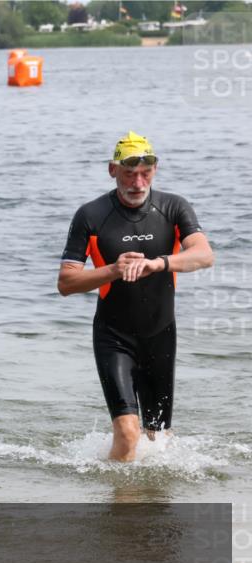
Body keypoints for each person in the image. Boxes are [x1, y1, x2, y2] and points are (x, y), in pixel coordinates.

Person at [57, 131, 214, 462]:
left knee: (158, 441)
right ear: (113, 171)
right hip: (114, 337)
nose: (138, 183)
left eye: (146, 173)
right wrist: (114, 270)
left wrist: (159, 263)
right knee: (129, 434)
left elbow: (203, 255)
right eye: (129, 173)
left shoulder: (173, 207)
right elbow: (67, 283)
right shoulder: (91, 215)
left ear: (155, 170)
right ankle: (119, 508)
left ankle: (149, 509)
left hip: (160, 335)